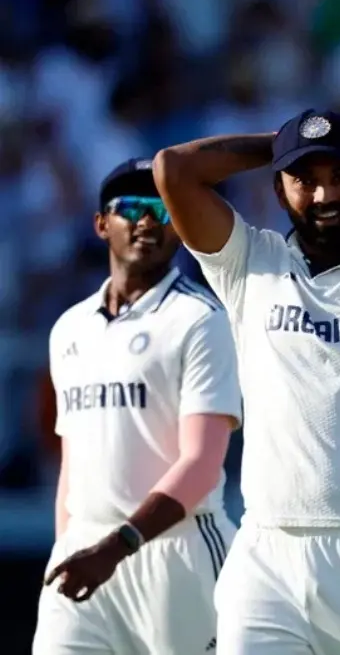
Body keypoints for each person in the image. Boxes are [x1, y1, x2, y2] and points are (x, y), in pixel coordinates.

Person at [151, 110, 340, 655]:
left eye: (339, 176)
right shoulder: (249, 263)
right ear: (278, 185)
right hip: (269, 554)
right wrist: (282, 143)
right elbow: (173, 169)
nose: (322, 195)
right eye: (303, 179)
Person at [34, 158, 243, 654]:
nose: (147, 220)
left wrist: (118, 546)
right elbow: (74, 461)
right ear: (102, 224)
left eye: (162, 208)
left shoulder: (201, 319)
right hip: (86, 550)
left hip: (176, 553)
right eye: (131, 207)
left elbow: (201, 462)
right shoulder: (69, 329)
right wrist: (71, 543)